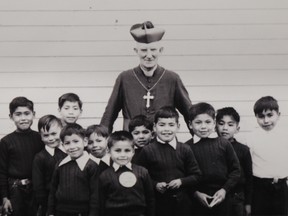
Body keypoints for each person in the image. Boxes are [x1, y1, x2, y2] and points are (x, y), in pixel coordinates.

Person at [100, 21, 192, 133]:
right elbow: (109, 114)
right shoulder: (124, 78)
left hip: (161, 142)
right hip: (132, 141)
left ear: (161, 50)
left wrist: (198, 142)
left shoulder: (172, 78)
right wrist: (102, 139)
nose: (148, 56)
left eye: (153, 50)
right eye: (143, 50)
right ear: (136, 51)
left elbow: (189, 113)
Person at [137, 106, 201, 216]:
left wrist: (181, 181)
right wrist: (155, 184)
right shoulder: (148, 150)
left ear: (178, 127)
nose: (166, 129)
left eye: (171, 125)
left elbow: (196, 175)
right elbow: (139, 177)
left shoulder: (185, 149)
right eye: (162, 125)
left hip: (182, 206)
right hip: (157, 205)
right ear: (155, 127)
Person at [185, 102, 240, 216]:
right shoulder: (186, 147)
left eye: (208, 122)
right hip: (197, 201)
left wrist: (224, 190)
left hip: (223, 198)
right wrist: (195, 193)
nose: (203, 126)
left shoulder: (224, 144)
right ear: (190, 124)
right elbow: (184, 175)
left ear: (214, 123)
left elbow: (235, 171)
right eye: (198, 122)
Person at [0, 96, 44, 216]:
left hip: (35, 191)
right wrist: (4, 197)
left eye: (27, 113)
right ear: (11, 117)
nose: (23, 118)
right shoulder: (6, 142)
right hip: (15, 191)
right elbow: (2, 172)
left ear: (33, 114)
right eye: (18, 114)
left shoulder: (40, 138)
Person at [247, 96, 288, 216]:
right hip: (260, 188)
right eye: (261, 116)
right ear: (256, 117)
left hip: (281, 187)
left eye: (270, 115)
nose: (266, 121)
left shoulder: (285, 136)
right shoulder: (251, 138)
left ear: (278, 115)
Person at [98, 130, 155, 216]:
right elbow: (101, 203)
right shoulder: (105, 175)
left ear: (133, 151)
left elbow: (150, 199)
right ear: (109, 151)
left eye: (127, 150)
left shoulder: (142, 172)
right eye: (118, 150)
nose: (123, 155)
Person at [47, 123, 99, 216]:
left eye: (76, 141)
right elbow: (53, 190)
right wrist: (50, 212)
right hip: (61, 211)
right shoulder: (60, 164)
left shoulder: (91, 166)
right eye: (67, 143)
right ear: (62, 145)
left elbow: (95, 195)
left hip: (82, 212)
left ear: (85, 141)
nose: (72, 147)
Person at [216, 107, 253, 216]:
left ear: (237, 128)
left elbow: (249, 178)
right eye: (221, 123)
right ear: (215, 126)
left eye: (230, 124)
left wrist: (248, 204)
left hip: (237, 197)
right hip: (216, 196)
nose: (225, 128)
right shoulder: (211, 147)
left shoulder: (243, 150)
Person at [32, 115, 67, 216]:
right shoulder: (40, 158)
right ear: (41, 136)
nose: (51, 138)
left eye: (54, 134)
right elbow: (38, 188)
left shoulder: (69, 152)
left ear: (62, 130)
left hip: (69, 203)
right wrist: (47, 208)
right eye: (46, 135)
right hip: (49, 204)